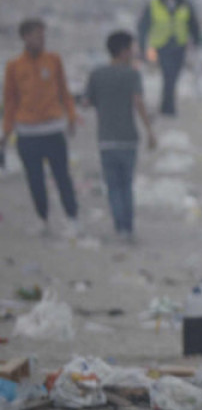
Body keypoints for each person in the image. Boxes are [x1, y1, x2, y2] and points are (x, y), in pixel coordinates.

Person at [1, 18, 81, 237]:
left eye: (43, 35)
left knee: (62, 176)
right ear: (25, 37)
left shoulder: (54, 60)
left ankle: (72, 218)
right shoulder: (14, 66)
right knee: (35, 179)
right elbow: (10, 102)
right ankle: (42, 219)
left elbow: (64, 91)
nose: (41, 39)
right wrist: (6, 133)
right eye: (37, 35)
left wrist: (71, 116)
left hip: (53, 129)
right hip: (27, 132)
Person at [83, 31, 157, 243]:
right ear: (124, 51)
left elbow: (87, 101)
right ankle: (128, 228)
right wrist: (150, 131)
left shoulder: (97, 74)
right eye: (132, 48)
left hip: (106, 139)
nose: (134, 52)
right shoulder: (132, 75)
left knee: (113, 187)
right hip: (128, 139)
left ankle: (119, 229)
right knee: (126, 186)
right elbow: (138, 102)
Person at [137, 0, 202, 117]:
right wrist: (142, 48)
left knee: (173, 76)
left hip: (179, 46)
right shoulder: (154, 4)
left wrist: (196, 43)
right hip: (161, 46)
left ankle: (166, 106)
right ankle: (168, 108)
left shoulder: (185, 5)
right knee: (168, 75)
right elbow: (143, 26)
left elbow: (193, 25)